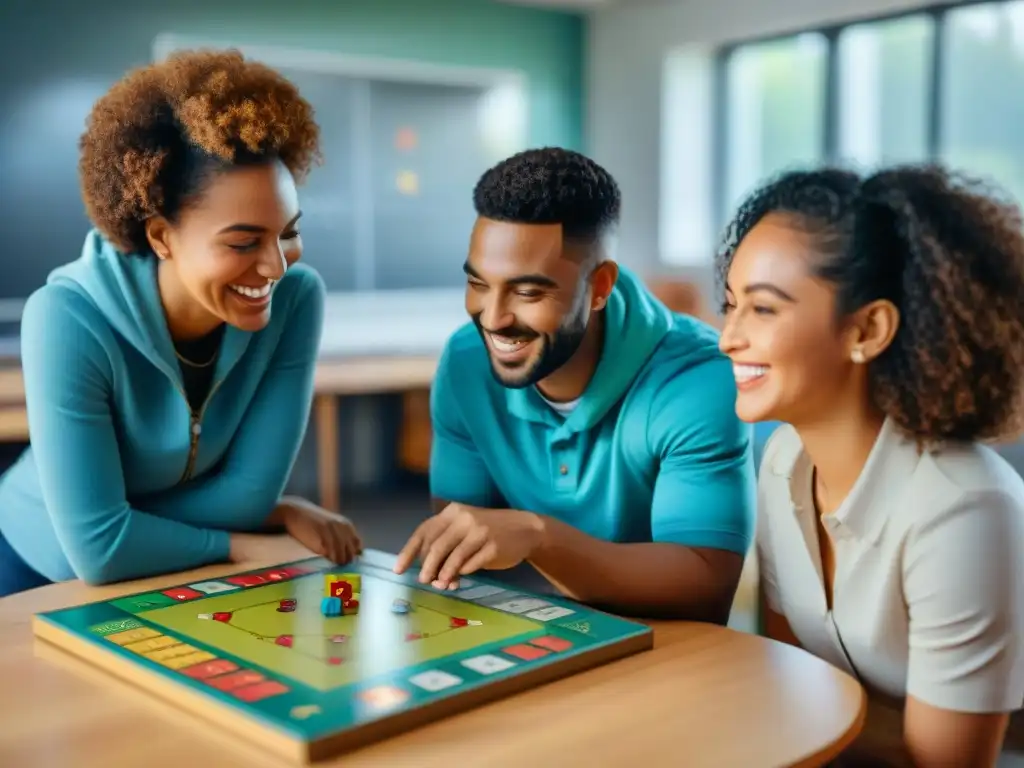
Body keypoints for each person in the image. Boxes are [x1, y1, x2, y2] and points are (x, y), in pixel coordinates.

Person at [0, 49, 363, 598]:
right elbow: (98, 549)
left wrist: (262, 511)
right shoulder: (66, 317)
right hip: (37, 571)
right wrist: (243, 541)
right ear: (161, 236)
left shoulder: (297, 298)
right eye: (243, 242)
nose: (275, 266)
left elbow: (247, 498)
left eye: (287, 231)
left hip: (176, 568)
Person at [717, 164, 1024, 767]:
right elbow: (794, 683)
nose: (727, 337)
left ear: (868, 328)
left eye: (763, 310)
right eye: (730, 305)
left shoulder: (964, 511)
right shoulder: (783, 461)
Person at [393, 147, 755, 622]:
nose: (494, 318)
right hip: (529, 638)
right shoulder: (465, 362)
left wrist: (540, 537)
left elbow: (704, 586)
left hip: (669, 655)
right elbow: (464, 552)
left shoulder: (697, 378)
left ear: (600, 287)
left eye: (527, 292)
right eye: (479, 284)